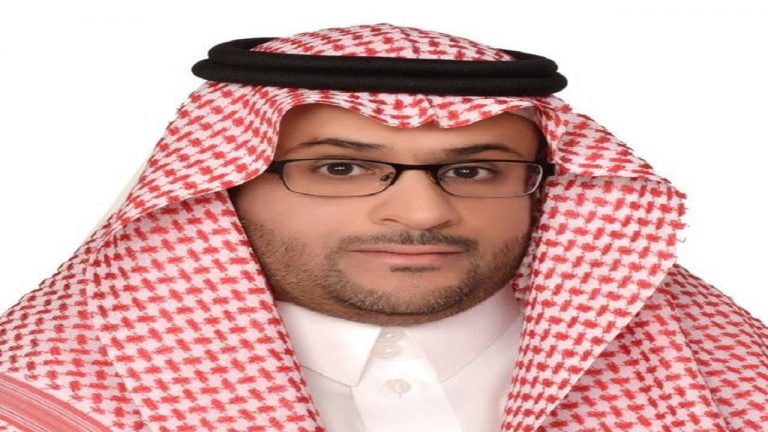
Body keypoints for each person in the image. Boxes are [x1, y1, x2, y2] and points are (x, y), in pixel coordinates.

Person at [0, 22, 766, 432]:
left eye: (475, 171)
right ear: (220, 189)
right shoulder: (39, 400)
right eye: (341, 168)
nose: (422, 212)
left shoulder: (729, 381)